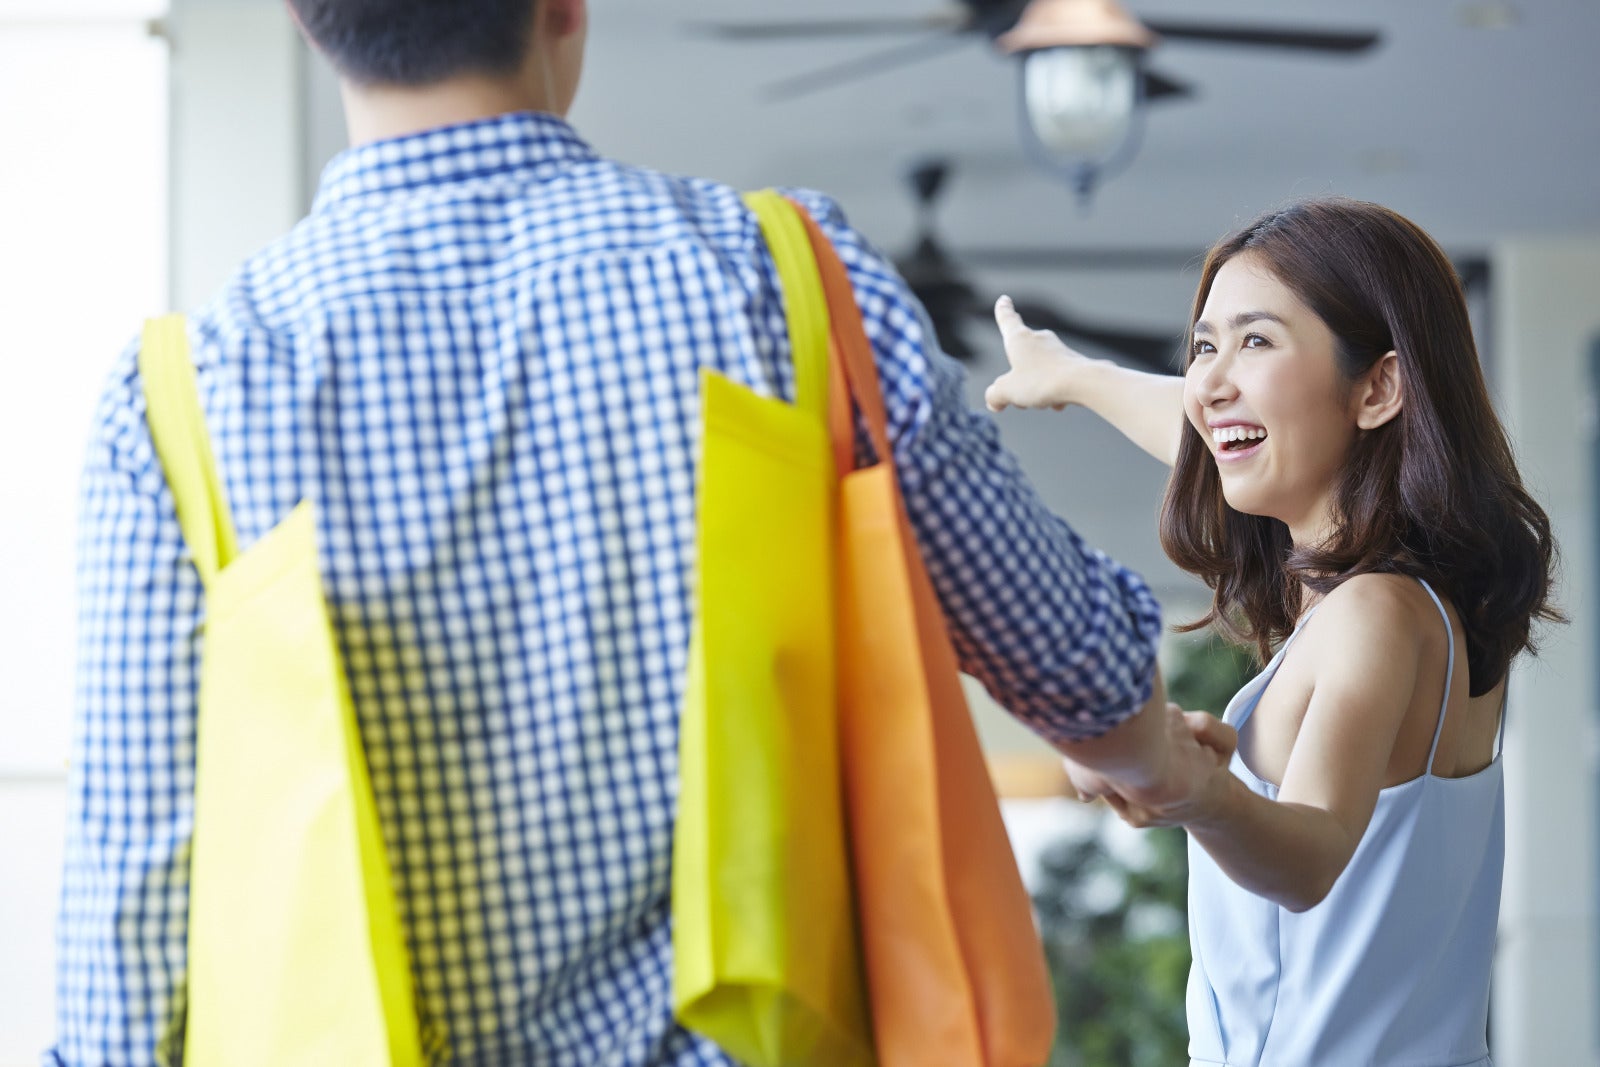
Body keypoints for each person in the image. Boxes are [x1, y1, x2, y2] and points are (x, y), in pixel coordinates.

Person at [50, 1, 1234, 1064]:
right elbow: (1074, 655)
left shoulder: (180, 402)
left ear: (311, 25)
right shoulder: (781, 277)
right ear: (563, 10)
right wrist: (1155, 763)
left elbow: (134, 909)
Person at [987, 196, 1561, 1066]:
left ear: (1378, 387)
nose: (1209, 383)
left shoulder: (1372, 614)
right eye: (1205, 346)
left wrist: (1197, 790)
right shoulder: (1417, 608)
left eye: (1256, 340)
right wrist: (1072, 374)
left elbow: (1312, 853)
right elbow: (1208, 429)